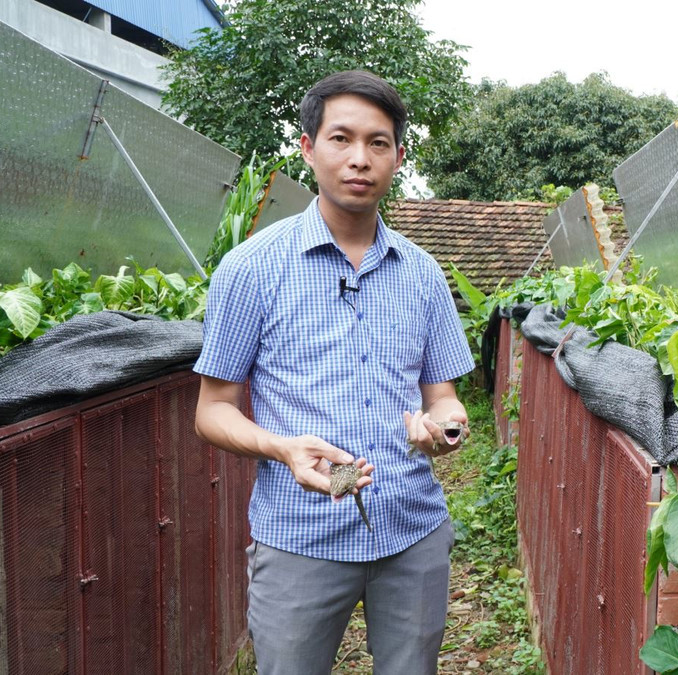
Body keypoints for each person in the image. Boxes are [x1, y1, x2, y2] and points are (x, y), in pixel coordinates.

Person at [193, 70, 474, 674]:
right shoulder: (251, 270)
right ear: (307, 148)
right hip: (300, 534)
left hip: (412, 529)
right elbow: (211, 410)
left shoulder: (423, 275)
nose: (359, 159)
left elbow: (444, 397)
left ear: (397, 156)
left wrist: (445, 427)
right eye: (340, 138)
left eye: (377, 143)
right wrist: (280, 447)